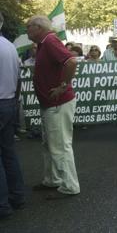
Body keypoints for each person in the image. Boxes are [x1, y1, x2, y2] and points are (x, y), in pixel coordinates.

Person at [27, 15, 80, 199]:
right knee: (50, 144)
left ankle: (70, 185)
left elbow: (71, 61)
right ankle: (53, 179)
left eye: (29, 27)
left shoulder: (49, 40)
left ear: (39, 27)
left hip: (58, 103)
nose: (27, 30)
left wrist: (63, 86)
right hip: (50, 104)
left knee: (60, 146)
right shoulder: (44, 43)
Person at [0, 12, 25, 219]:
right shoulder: (9, 46)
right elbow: (19, 79)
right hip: (8, 103)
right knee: (8, 153)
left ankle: (2, 206)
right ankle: (17, 197)